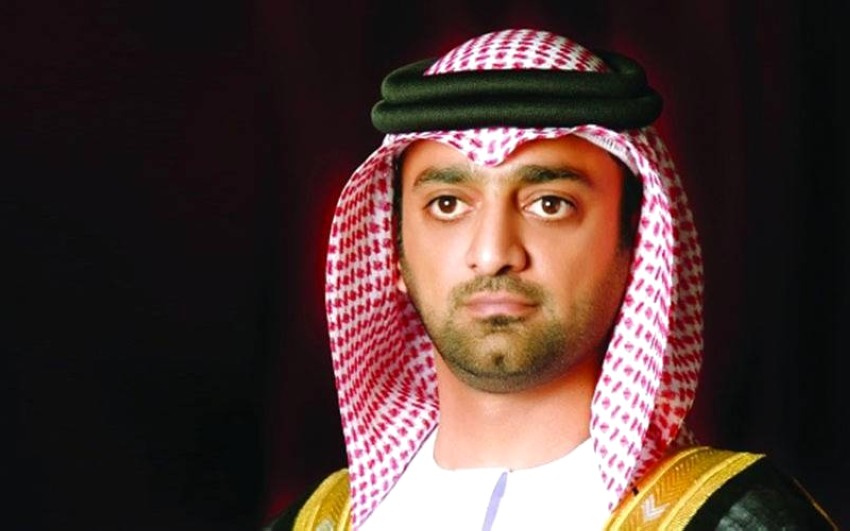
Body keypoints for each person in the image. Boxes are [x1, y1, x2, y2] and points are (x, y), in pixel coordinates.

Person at [266, 29, 835, 530]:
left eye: (549, 204)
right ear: (391, 249)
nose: (493, 253)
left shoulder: (735, 519)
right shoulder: (315, 522)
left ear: (637, 244)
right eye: (447, 204)